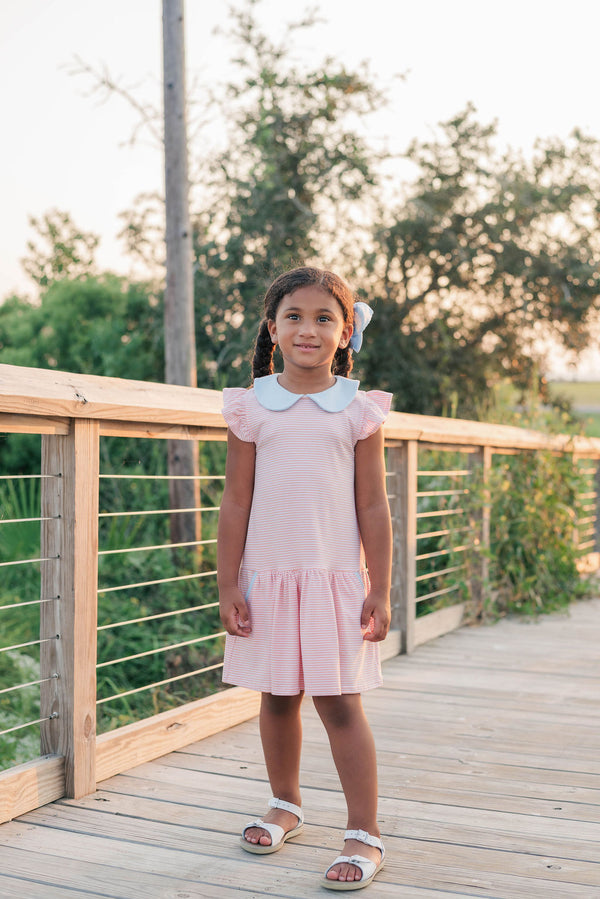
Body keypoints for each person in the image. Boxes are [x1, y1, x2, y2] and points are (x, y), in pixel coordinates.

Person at [217, 266, 393, 891]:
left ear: (346, 334)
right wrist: (228, 583)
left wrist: (381, 587)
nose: (308, 329)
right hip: (267, 578)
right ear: (273, 328)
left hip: (333, 581)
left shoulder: (357, 411)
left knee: (340, 703)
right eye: (294, 316)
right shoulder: (251, 406)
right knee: (277, 696)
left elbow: (373, 505)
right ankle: (285, 802)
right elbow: (235, 501)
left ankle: (363, 832)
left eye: (324, 318)